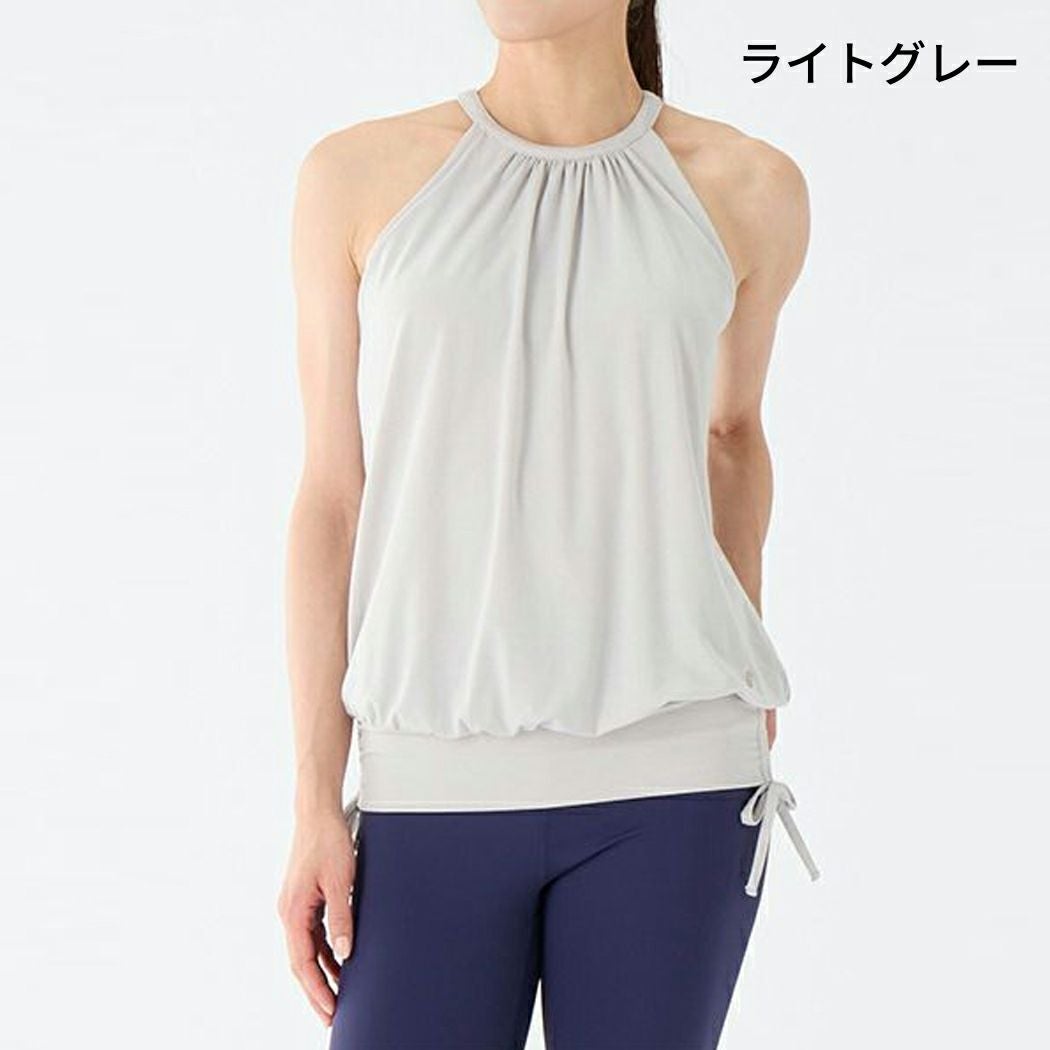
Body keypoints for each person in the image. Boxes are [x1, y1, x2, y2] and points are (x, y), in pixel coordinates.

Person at [277, 2, 818, 1046]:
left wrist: (740, 654)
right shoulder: (355, 174)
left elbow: (731, 438)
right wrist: (312, 799)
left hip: (679, 777)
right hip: (428, 779)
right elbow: (333, 496)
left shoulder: (751, 184)